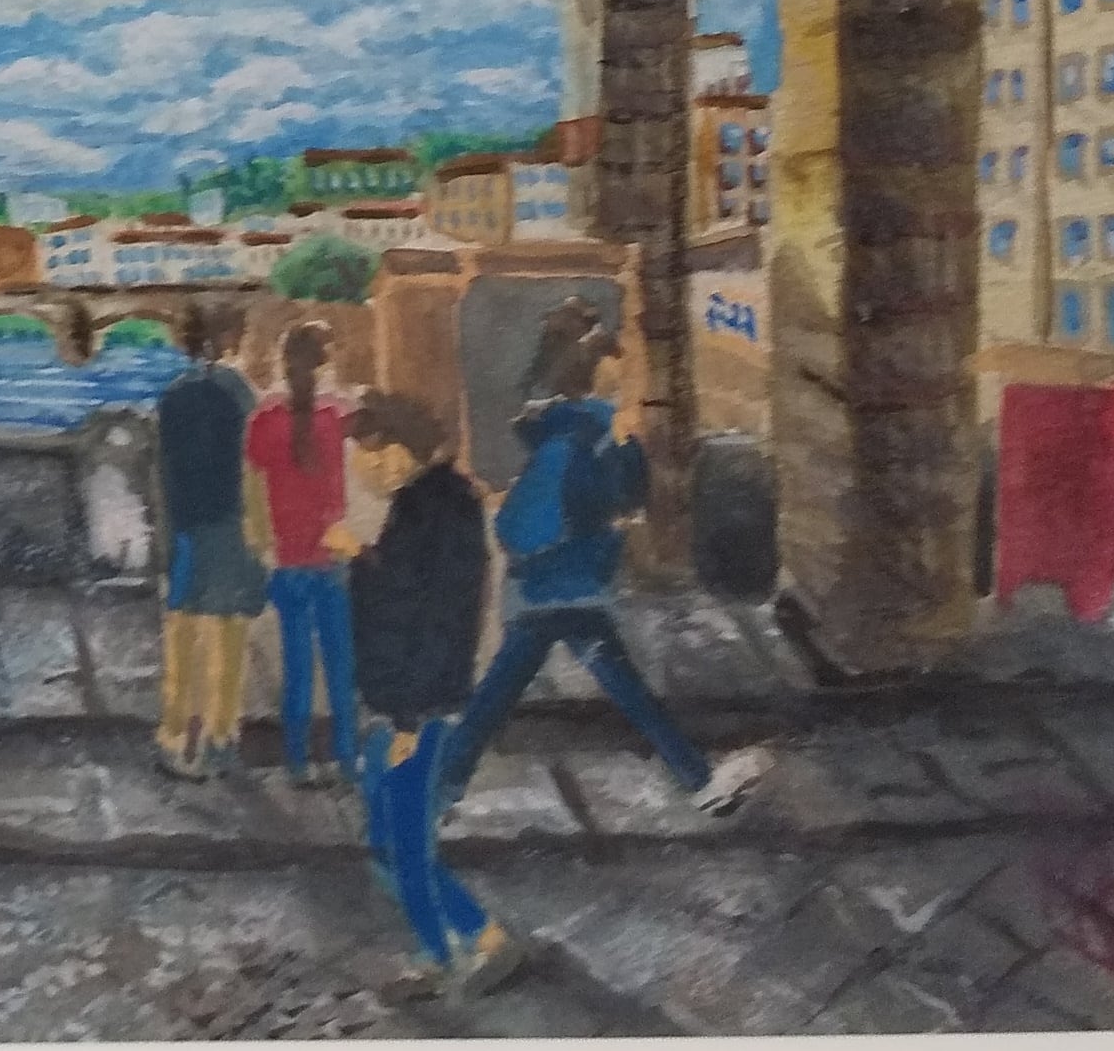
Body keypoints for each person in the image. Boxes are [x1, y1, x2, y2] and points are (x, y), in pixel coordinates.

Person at [436, 306, 771, 817]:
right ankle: (700, 782)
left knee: (502, 695)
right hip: (571, 587)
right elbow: (616, 500)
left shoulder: (557, 433)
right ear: (596, 379)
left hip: (542, 588)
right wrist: (625, 461)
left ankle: (440, 789)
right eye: (615, 375)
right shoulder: (587, 438)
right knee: (620, 689)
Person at [342, 395, 516, 992]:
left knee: (403, 846)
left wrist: (409, 720)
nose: (366, 470)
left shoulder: (428, 511)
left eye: (372, 456)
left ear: (400, 449)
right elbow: (410, 593)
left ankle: (443, 955)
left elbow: (430, 617)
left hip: (415, 706)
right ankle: (478, 937)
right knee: (385, 842)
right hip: (407, 700)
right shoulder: (429, 504)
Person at [151, 305, 259, 778]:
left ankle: (174, 736)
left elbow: (162, 469)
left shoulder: (173, 394)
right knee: (228, 634)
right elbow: (251, 467)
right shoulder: (238, 391)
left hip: (185, 524)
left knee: (183, 631)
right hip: (228, 520)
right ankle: (221, 737)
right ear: (226, 337)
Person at [245, 322, 357, 784]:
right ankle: (347, 759)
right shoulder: (335, 418)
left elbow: (255, 472)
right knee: (341, 668)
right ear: (322, 365)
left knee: (297, 672)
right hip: (331, 558)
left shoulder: (265, 422)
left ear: (282, 361)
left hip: (289, 562)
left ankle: (298, 761)